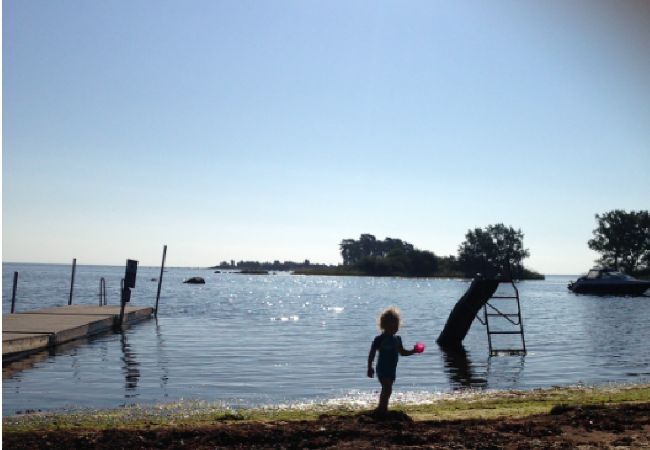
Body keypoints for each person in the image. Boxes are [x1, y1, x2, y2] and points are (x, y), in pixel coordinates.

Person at [367, 307, 417, 415]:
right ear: (384, 325)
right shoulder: (379, 339)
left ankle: (382, 408)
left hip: (391, 369)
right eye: (392, 326)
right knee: (387, 388)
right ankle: (382, 408)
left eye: (396, 326)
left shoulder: (397, 339)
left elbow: (402, 352)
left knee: (388, 389)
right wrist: (369, 367)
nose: (394, 328)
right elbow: (372, 353)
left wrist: (413, 351)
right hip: (382, 368)